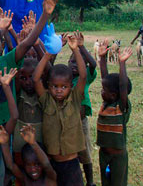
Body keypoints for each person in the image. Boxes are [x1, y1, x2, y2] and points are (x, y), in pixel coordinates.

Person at [32, 33, 87, 186]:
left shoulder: (75, 99)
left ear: (71, 87)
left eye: (64, 87)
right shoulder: (46, 100)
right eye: (55, 86)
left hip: (71, 164)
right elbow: (36, 78)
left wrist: (75, 49)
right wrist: (48, 54)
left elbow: (83, 76)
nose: (59, 90)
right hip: (52, 164)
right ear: (49, 86)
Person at [97, 44, 133, 186]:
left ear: (114, 94)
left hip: (118, 157)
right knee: (106, 182)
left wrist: (122, 63)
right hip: (104, 155)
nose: (101, 92)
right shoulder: (106, 103)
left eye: (103, 90)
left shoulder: (121, 107)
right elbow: (105, 77)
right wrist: (102, 58)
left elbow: (122, 86)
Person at [67, 31, 97, 186]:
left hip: (82, 122)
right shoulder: (64, 80)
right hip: (67, 123)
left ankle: (90, 182)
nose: (74, 66)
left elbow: (93, 64)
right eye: (72, 62)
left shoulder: (84, 79)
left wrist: (81, 48)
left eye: (78, 64)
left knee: (85, 154)